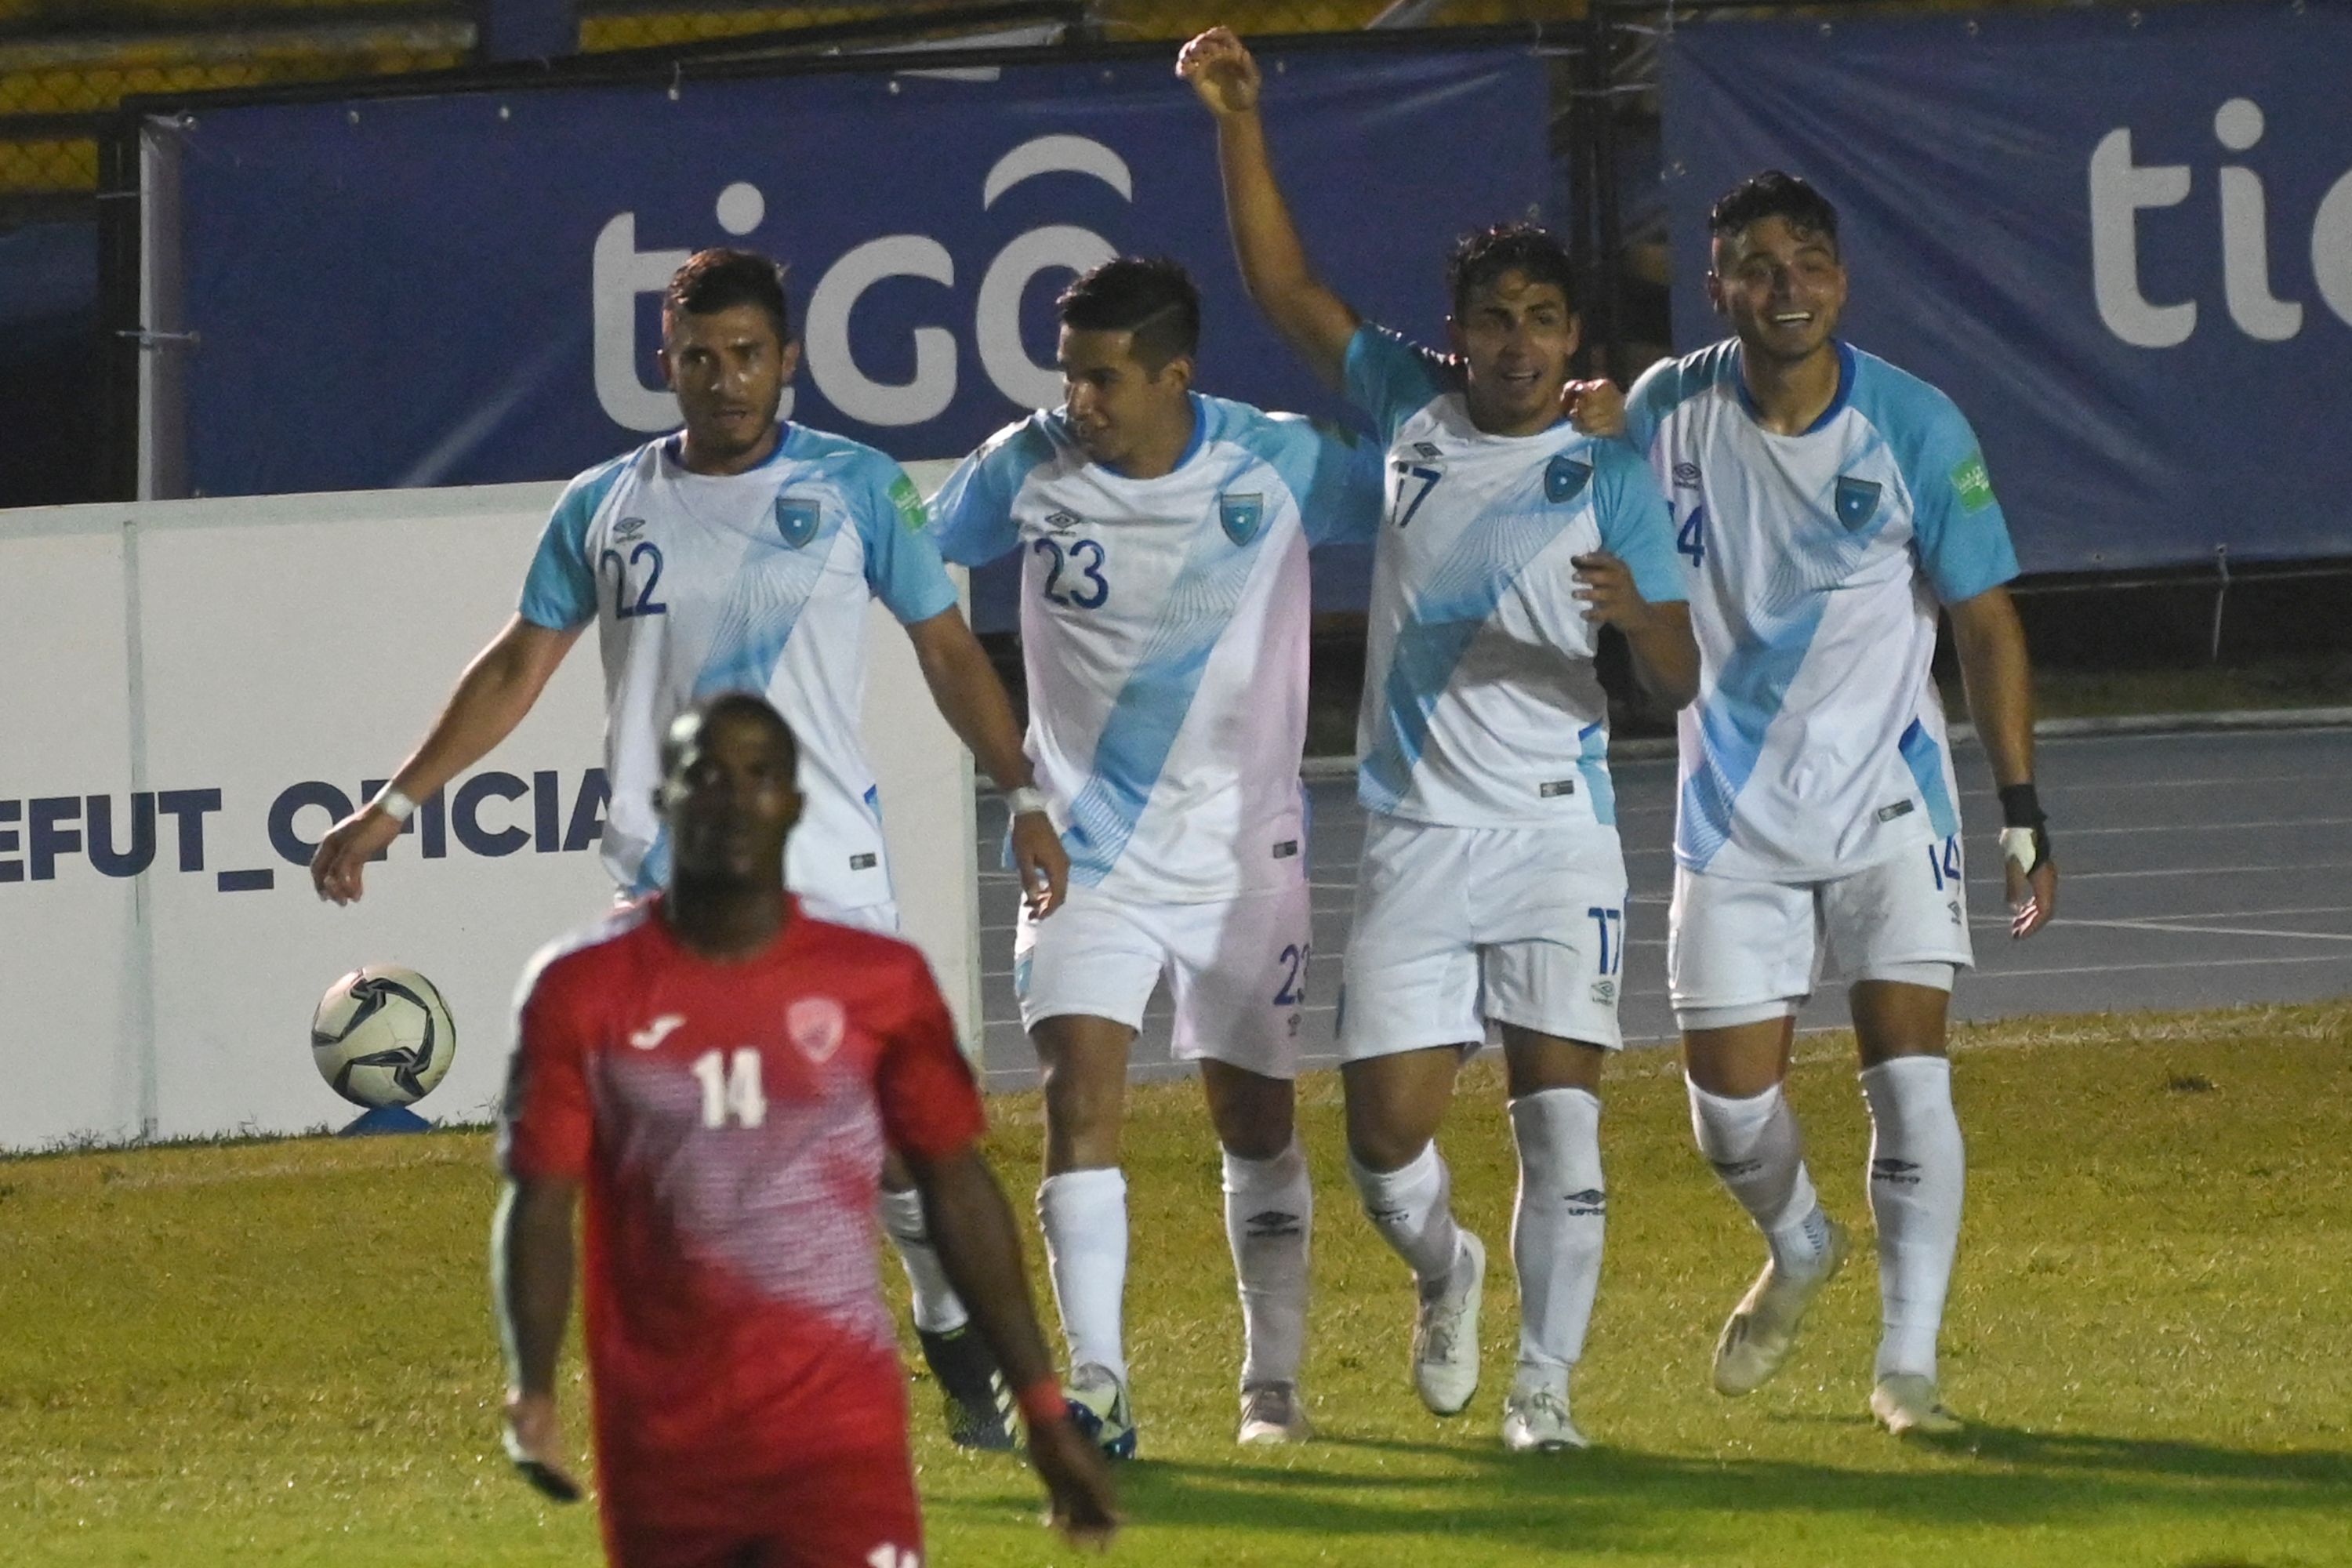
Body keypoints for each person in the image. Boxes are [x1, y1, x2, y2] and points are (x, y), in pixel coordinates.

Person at [310, 247, 1065, 1450]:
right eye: (699, 358)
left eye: (746, 357)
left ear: (789, 362)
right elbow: (518, 664)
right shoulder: (604, 505)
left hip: (827, 871)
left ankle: (943, 1320)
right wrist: (396, 803)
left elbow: (946, 649)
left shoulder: (863, 488)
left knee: (899, 1155)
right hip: (668, 882)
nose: (723, 380)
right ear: (665, 363)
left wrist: (1022, 791)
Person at [1181, 27, 1698, 1452]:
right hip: (1413, 831)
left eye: (1544, 319)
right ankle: (1447, 1270)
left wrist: (1636, 612)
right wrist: (1240, 118)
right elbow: (1284, 290)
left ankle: (1546, 1394)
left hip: (1555, 828)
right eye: (1496, 319)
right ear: (1457, 331)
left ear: (1574, 341)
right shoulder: (1411, 409)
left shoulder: (1608, 471)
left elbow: (1681, 663)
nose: (1520, 342)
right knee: (1382, 1145)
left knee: (1562, 1124)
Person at [1581, 170, 2058, 1436]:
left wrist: (2020, 809)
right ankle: (1798, 1245)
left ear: (1840, 281)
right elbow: (1575, 468)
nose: (1783, 285)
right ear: (1718, 284)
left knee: (1914, 1085)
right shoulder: (1667, 410)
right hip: (1732, 809)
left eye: (1807, 262)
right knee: (1728, 1114)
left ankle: (1908, 1368)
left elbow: (1988, 623)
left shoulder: (1914, 423)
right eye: (1756, 264)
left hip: (1890, 806)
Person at [927, 256, 1385, 1453]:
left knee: (1257, 1126)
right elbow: (907, 563)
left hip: (1245, 860)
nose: (1078, 400)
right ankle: (1097, 1385)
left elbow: (1438, 484)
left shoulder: (1282, 463)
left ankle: (1271, 1381)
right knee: (1079, 1099)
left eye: (1104, 379)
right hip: (1085, 853)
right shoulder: (1023, 466)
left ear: (1176, 376)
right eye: (1070, 374)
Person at [493, 693, 1118, 1566]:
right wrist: (531, 1389)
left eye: (759, 776)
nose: (732, 798)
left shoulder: (878, 981)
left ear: (794, 802)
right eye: (704, 776)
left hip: (841, 1432)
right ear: (662, 800)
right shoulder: (580, 988)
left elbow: (955, 1183)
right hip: (664, 1449)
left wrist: (1041, 1402)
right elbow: (541, 1196)